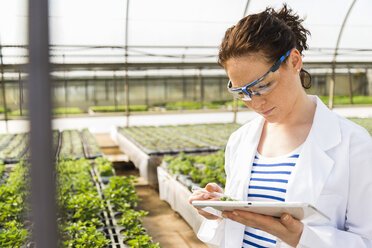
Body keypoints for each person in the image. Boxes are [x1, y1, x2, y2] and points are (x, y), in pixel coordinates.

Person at [189, 4, 372, 248]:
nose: (254, 102)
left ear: (294, 61)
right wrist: (223, 209)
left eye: (263, 85)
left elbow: (366, 240)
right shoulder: (240, 141)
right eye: (242, 92)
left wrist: (300, 237)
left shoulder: (354, 145)